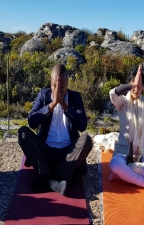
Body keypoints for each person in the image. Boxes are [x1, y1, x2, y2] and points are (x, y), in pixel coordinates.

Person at [18, 64, 92, 195]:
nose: (58, 90)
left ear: (67, 83)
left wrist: (65, 106)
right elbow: (32, 121)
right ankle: (54, 180)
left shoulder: (75, 97)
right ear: (50, 83)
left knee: (87, 140)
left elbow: (82, 125)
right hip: (46, 150)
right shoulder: (44, 95)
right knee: (23, 133)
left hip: (68, 153)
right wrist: (52, 105)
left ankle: (49, 178)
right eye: (54, 86)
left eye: (62, 86)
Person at [108, 65, 144, 191]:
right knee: (114, 165)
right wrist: (132, 85)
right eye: (133, 87)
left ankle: (124, 174)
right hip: (123, 150)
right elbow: (112, 93)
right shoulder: (122, 103)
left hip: (142, 153)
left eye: (139, 88)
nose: (136, 90)